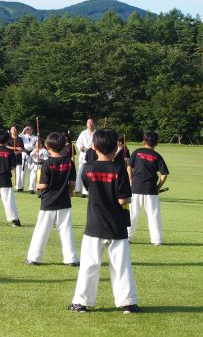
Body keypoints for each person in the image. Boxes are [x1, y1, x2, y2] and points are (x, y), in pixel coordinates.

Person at [69, 128, 140, 314]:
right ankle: (128, 303)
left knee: (89, 265)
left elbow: (89, 188)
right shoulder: (119, 169)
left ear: (94, 146)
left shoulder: (88, 168)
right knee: (122, 266)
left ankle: (81, 303)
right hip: (117, 226)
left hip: (94, 224)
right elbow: (123, 200)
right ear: (117, 148)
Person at [25, 132, 79, 266]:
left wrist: (36, 185)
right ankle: (71, 259)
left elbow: (43, 184)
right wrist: (71, 192)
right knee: (67, 231)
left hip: (48, 202)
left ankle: (34, 258)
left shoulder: (47, 163)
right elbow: (72, 184)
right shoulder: (69, 162)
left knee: (41, 231)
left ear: (48, 147)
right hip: (64, 201)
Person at [127, 131, 169, 246]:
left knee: (132, 214)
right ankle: (157, 240)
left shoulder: (137, 152)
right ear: (157, 143)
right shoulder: (157, 156)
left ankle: (127, 237)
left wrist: (131, 181)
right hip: (151, 189)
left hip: (135, 188)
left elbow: (129, 167)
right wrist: (158, 187)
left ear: (144, 141)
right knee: (153, 215)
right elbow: (164, 174)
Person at [75, 119, 96, 196]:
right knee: (82, 172)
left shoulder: (96, 133)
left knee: (92, 172)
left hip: (94, 155)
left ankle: (90, 190)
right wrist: (81, 147)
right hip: (84, 154)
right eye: (88, 122)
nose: (90, 124)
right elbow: (78, 143)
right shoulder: (83, 133)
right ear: (86, 124)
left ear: (94, 123)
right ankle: (79, 189)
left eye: (91, 122)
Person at [20, 125, 38, 192]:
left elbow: (38, 144)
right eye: (27, 130)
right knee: (23, 171)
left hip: (33, 154)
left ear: (32, 130)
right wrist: (23, 130)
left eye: (29, 129)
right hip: (24, 154)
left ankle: (31, 188)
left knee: (32, 172)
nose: (28, 131)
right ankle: (21, 186)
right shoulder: (23, 136)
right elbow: (18, 137)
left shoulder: (35, 137)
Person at [7, 125, 25, 191]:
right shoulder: (8, 139)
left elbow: (22, 148)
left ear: (16, 131)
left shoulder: (20, 139)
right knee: (9, 172)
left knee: (19, 173)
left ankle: (19, 187)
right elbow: (7, 147)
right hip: (10, 158)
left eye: (15, 129)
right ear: (11, 131)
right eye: (12, 129)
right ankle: (8, 186)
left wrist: (17, 152)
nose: (14, 130)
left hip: (18, 157)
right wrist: (15, 148)